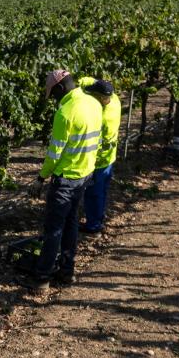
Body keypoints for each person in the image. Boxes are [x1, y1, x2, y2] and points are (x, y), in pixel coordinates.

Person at [23, 70, 104, 291]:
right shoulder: (94, 103)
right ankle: (67, 271)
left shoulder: (66, 112)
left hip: (66, 179)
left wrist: (41, 178)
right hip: (85, 175)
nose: (54, 100)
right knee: (71, 225)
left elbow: (54, 154)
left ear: (60, 88)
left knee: (53, 230)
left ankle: (42, 278)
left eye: (53, 95)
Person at [79, 76, 121, 234]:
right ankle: (98, 217)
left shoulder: (103, 118)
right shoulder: (114, 98)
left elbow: (95, 143)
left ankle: (94, 225)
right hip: (109, 159)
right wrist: (81, 82)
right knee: (102, 190)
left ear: (102, 98)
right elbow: (91, 82)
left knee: (93, 193)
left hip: (100, 161)